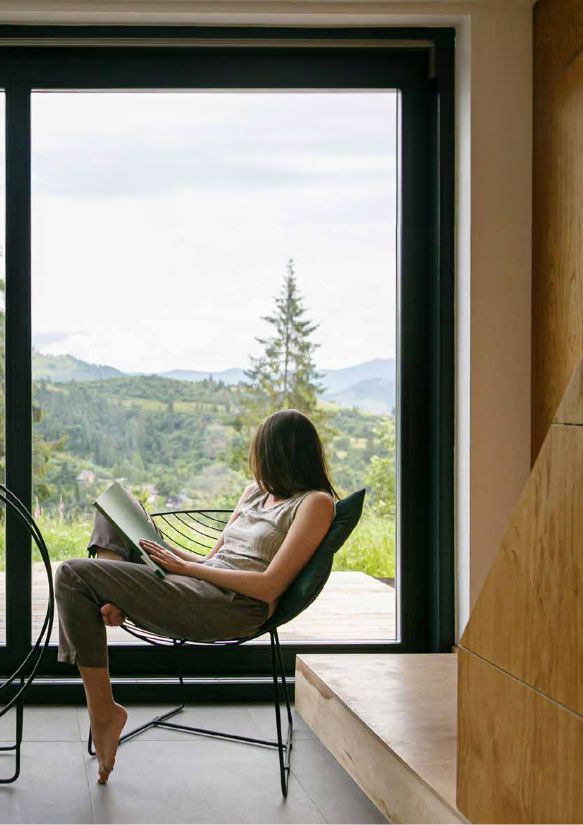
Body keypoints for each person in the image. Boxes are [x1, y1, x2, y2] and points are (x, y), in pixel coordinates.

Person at [55, 408, 338, 785]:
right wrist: (168, 556)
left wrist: (186, 569)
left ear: (279, 454)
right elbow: (211, 559)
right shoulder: (254, 493)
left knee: (72, 574)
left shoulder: (315, 504)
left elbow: (270, 585)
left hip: (230, 605)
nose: (256, 463)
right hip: (198, 585)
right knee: (115, 509)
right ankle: (115, 600)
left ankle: (103, 710)